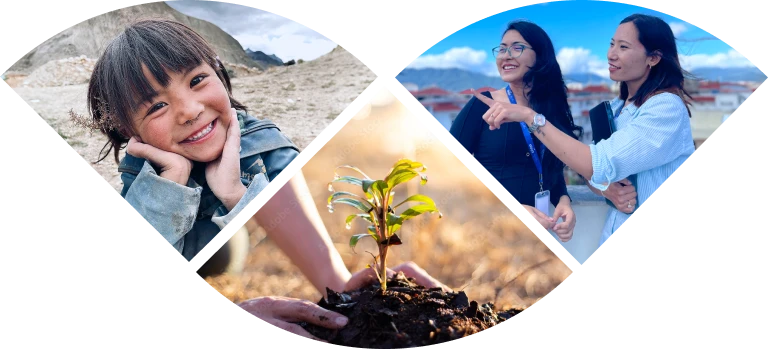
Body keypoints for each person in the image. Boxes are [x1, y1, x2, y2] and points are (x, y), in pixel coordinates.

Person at [73, 18, 451, 343]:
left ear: (220, 74)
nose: (189, 111)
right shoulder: (134, 186)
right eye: (156, 105)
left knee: (223, 251)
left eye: (198, 79)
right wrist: (167, 190)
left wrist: (350, 291)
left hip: (217, 243)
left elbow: (332, 282)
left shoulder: (253, 137)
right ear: (128, 131)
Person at [470, 13, 696, 250]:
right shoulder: (615, 109)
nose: (611, 54)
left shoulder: (666, 108)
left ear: (653, 57)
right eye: (611, 44)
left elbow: (597, 163)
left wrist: (529, 117)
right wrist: (604, 188)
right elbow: (591, 170)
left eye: (623, 46)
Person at [449, 20, 581, 242]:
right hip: (490, 232)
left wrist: (563, 200)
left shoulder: (551, 108)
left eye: (517, 47)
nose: (505, 55)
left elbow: (552, 166)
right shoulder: (482, 105)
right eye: (501, 49)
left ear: (540, 56)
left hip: (539, 234)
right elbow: (450, 170)